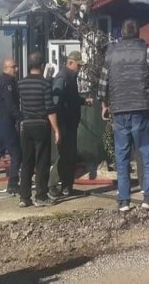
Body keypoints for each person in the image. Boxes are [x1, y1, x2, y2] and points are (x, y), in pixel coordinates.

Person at [98, 19, 149, 212]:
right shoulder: (145, 50)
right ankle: (148, 197)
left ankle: (123, 200)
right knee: (146, 152)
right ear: (138, 33)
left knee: (121, 155)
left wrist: (104, 104)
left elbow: (103, 83)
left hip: (119, 109)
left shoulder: (111, 52)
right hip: (141, 109)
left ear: (121, 33)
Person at [17, 52, 60, 207]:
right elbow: (50, 108)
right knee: (42, 161)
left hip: (26, 125)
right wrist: (56, 129)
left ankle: (24, 197)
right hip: (41, 125)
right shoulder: (45, 84)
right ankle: (41, 196)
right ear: (42, 66)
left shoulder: (21, 83)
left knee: (27, 161)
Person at [48, 51, 93, 199]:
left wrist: (82, 101)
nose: (80, 69)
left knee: (70, 155)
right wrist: (57, 128)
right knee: (63, 155)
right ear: (71, 63)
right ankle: (52, 185)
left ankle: (67, 186)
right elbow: (55, 102)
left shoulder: (71, 78)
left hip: (70, 123)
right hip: (64, 124)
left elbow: (71, 98)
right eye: (78, 65)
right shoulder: (62, 78)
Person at [0, 58, 22, 194]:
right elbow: (9, 102)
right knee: (16, 152)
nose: (16, 69)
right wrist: (19, 116)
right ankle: (13, 183)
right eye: (14, 67)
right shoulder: (7, 82)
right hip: (6, 120)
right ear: (6, 67)